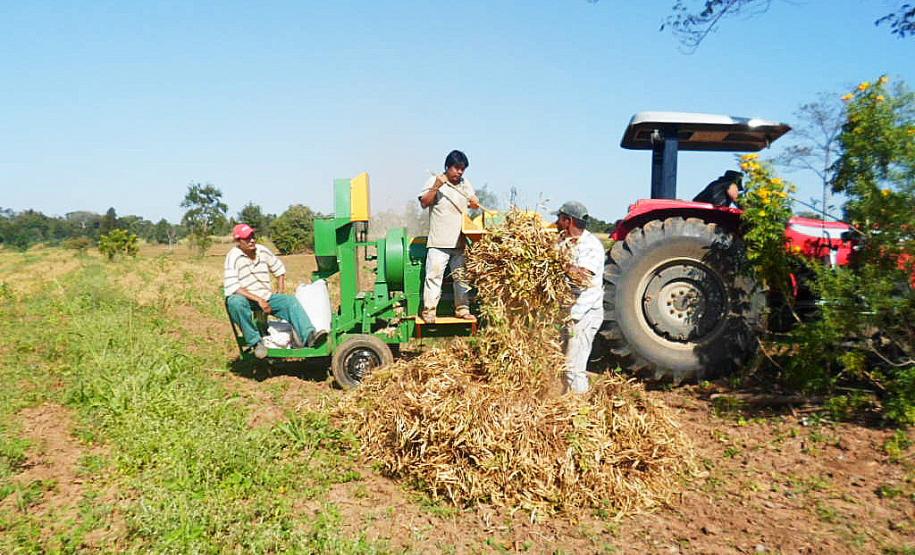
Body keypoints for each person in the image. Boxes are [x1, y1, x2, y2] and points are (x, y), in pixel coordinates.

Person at [224, 223, 326, 358]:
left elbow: (279, 269)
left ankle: (309, 336)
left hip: (266, 296)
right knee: (234, 302)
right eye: (247, 238)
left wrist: (280, 290)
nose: (252, 240)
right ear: (238, 241)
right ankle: (256, 343)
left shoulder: (262, 251)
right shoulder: (233, 257)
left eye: (252, 236)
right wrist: (258, 300)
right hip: (247, 299)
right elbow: (233, 287)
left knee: (289, 301)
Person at [417, 149, 480, 323]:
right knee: (434, 277)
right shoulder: (434, 180)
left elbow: (473, 202)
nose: (459, 172)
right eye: (456, 168)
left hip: (459, 243)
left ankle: (462, 309)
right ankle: (429, 312)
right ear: (447, 167)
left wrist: (474, 203)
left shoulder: (465, 184)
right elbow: (424, 203)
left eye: (462, 169)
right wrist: (437, 186)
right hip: (439, 242)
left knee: (461, 278)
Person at [555, 201, 605, 394]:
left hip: (584, 315)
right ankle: (563, 405)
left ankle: (580, 412)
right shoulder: (563, 241)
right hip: (568, 313)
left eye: (559, 218)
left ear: (568, 220)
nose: (556, 222)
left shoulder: (590, 246)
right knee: (561, 364)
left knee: (573, 368)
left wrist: (559, 264)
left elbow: (582, 277)